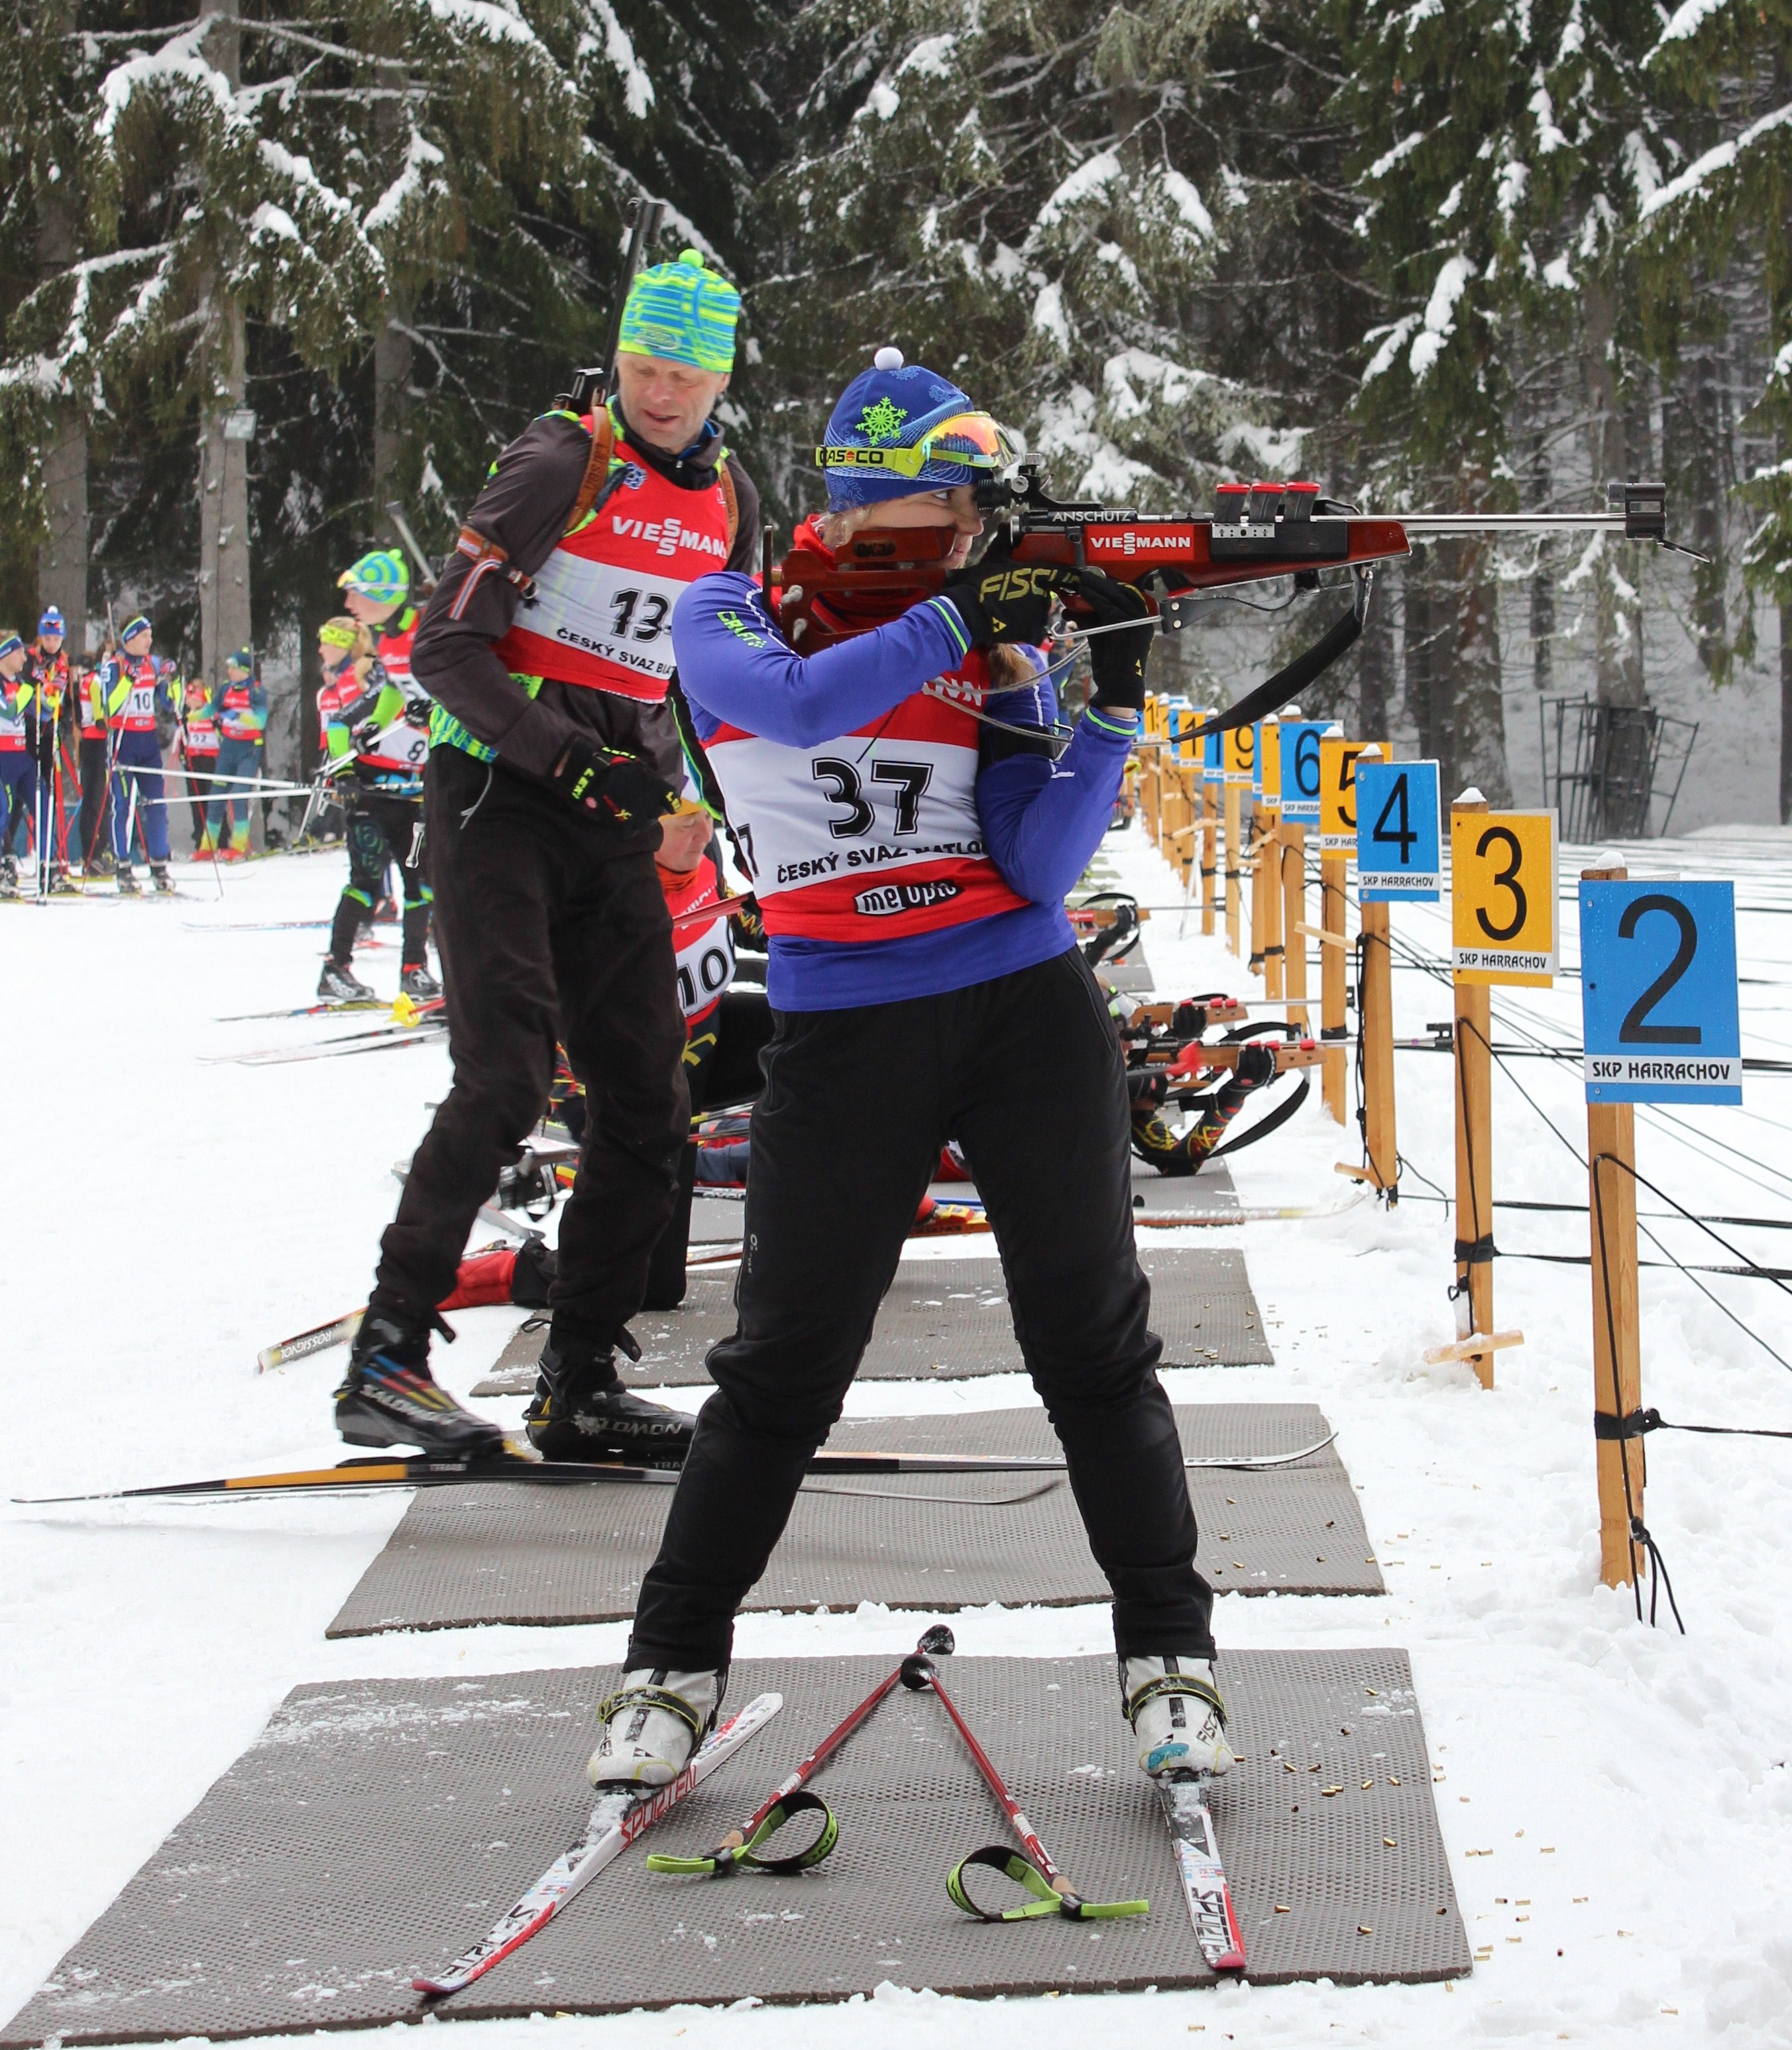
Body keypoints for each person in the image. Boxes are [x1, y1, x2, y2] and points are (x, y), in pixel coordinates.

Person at [587, 349, 1233, 1798]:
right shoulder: (727, 611)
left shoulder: (987, 643)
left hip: (1021, 1014)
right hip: (842, 1034)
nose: (979, 537)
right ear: (886, 501)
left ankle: (1169, 1653)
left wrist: (1107, 699)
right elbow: (790, 707)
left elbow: (1036, 865)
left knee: (1092, 1349)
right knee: (779, 1370)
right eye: (961, 510)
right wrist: (956, 617)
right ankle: (667, 1666)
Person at [329, 245, 762, 1467]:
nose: (660, 392)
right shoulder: (563, 459)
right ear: (617, 358)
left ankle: (578, 1378)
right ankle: (387, 1354)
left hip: (609, 814)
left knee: (649, 1102)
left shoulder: (727, 500)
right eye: (642, 366)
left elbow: (685, 673)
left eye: (684, 375)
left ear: (720, 382)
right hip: (495, 795)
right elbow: (442, 648)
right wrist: (569, 761)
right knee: (507, 1074)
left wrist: (691, 795)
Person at [313, 609, 437, 1001]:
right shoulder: (388, 688)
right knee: (366, 881)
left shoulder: (443, 692)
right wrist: (344, 772)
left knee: (421, 884)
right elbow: (339, 724)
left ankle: (414, 970)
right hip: (372, 796)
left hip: (412, 800)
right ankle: (335, 970)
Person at [97, 615, 174, 894]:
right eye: (144, 636)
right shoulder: (114, 665)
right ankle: (123, 865)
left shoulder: (152, 663)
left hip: (148, 742)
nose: (149, 641)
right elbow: (109, 706)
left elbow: (168, 703)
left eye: (150, 636)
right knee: (124, 806)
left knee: (157, 804)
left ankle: (159, 863)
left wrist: (172, 680)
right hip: (124, 741)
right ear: (130, 639)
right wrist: (128, 681)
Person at [24, 608, 77, 889]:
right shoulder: (30, 657)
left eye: (56, 638)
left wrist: (65, 725)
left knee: (47, 795)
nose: (52, 643)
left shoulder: (64, 662)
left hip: (49, 733)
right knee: (23, 794)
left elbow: (68, 701)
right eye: (48, 638)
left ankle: (50, 860)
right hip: (28, 733)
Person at [207, 650, 266, 858]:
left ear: (244, 670)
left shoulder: (256, 691)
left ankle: (239, 847)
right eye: (229, 668)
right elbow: (211, 709)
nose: (230, 671)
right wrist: (192, 717)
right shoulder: (226, 688)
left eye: (233, 668)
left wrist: (238, 715)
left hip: (249, 748)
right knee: (216, 796)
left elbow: (261, 721)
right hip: (229, 746)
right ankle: (207, 847)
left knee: (239, 796)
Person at [76, 641, 115, 874]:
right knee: (96, 799)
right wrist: (103, 720)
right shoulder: (95, 680)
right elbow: (99, 709)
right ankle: (93, 855)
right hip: (95, 740)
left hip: (92, 740)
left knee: (98, 798)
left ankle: (95, 852)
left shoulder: (89, 679)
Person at [0, 635, 34, 893]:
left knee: (10, 810)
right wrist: (30, 692)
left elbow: (43, 711)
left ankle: (8, 861)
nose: (25, 658)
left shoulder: (20, 684)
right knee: (3, 809)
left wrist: (52, 693)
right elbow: (8, 712)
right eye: (19, 652)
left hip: (19, 755)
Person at [177, 673, 221, 854]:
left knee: (213, 801)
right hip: (193, 761)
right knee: (197, 802)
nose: (187, 701)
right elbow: (183, 739)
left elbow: (221, 732)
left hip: (210, 761)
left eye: (190, 697)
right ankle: (200, 839)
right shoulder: (187, 717)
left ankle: (219, 840)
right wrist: (183, 754)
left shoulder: (210, 714)